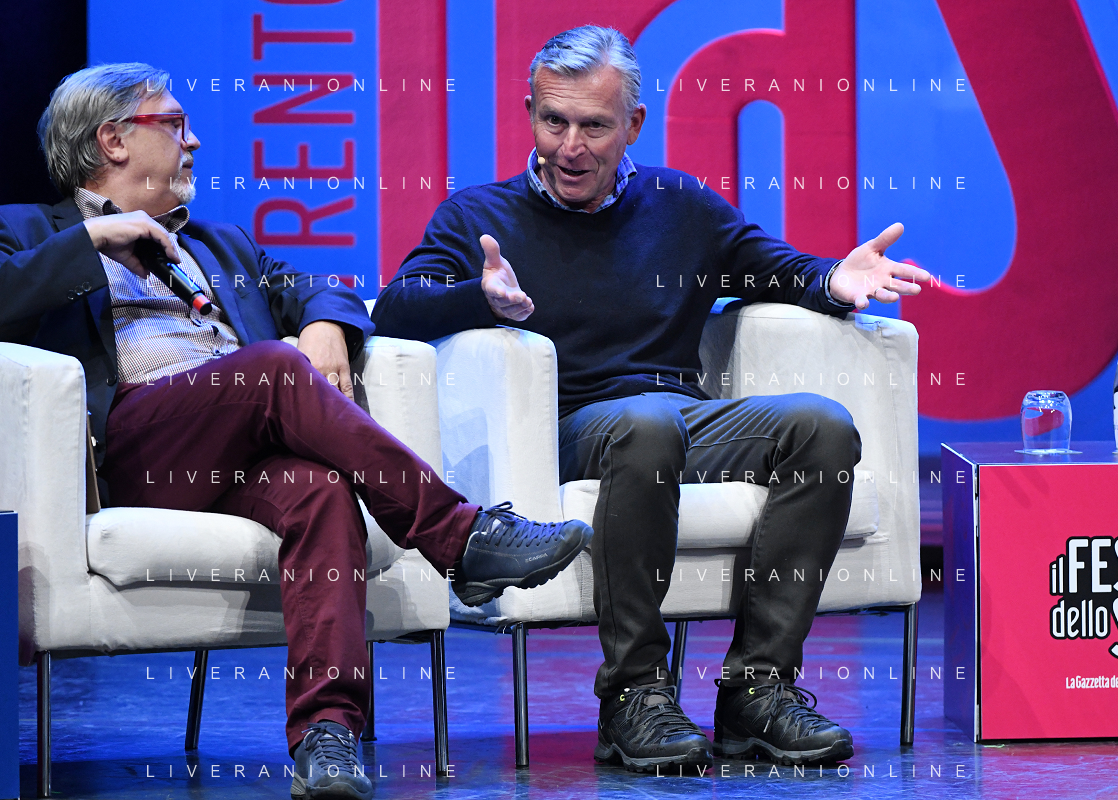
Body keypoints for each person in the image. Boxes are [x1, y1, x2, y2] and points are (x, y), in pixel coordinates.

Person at [0, 63, 594, 800]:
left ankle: (327, 738)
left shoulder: (221, 244)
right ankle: (459, 535)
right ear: (113, 140)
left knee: (320, 491)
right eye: (175, 124)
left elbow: (325, 289)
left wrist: (324, 325)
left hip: (237, 448)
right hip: (136, 450)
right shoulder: (23, 229)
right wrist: (94, 239)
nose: (194, 141)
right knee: (273, 368)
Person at [371, 26, 930, 773]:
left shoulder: (679, 206)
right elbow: (396, 309)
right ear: (529, 112)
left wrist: (834, 279)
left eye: (594, 126)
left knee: (821, 429)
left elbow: (775, 268)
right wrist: (477, 297)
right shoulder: (479, 218)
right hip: (566, 427)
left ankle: (757, 689)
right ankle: (633, 692)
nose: (570, 147)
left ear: (633, 124)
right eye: (553, 121)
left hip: (678, 417)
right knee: (647, 425)